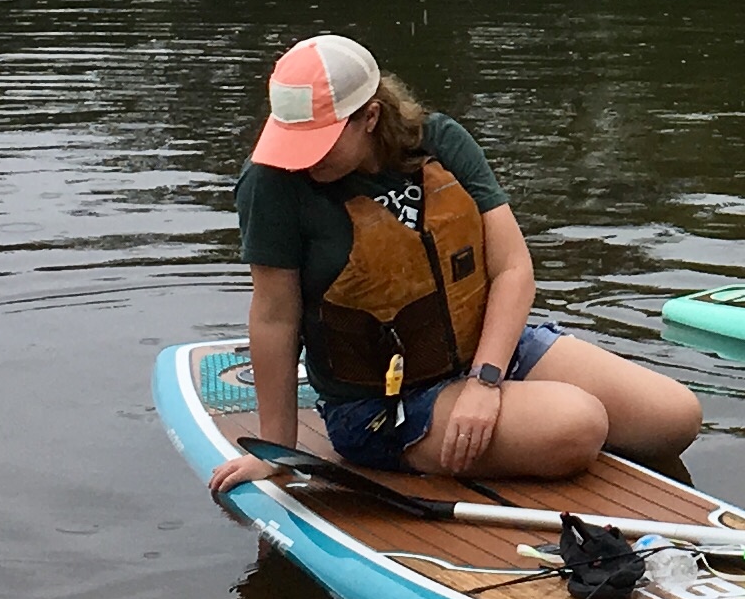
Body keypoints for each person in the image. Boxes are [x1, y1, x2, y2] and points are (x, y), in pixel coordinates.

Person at [201, 35, 698, 493]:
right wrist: (277, 448)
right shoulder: (271, 185)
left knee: (675, 418)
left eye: (321, 142)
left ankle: (517, 430)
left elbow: (511, 268)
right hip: (379, 404)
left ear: (370, 117)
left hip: (483, 353)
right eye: (293, 140)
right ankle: (511, 434)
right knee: (578, 423)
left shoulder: (440, 141)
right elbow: (274, 316)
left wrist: (485, 382)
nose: (303, 160)